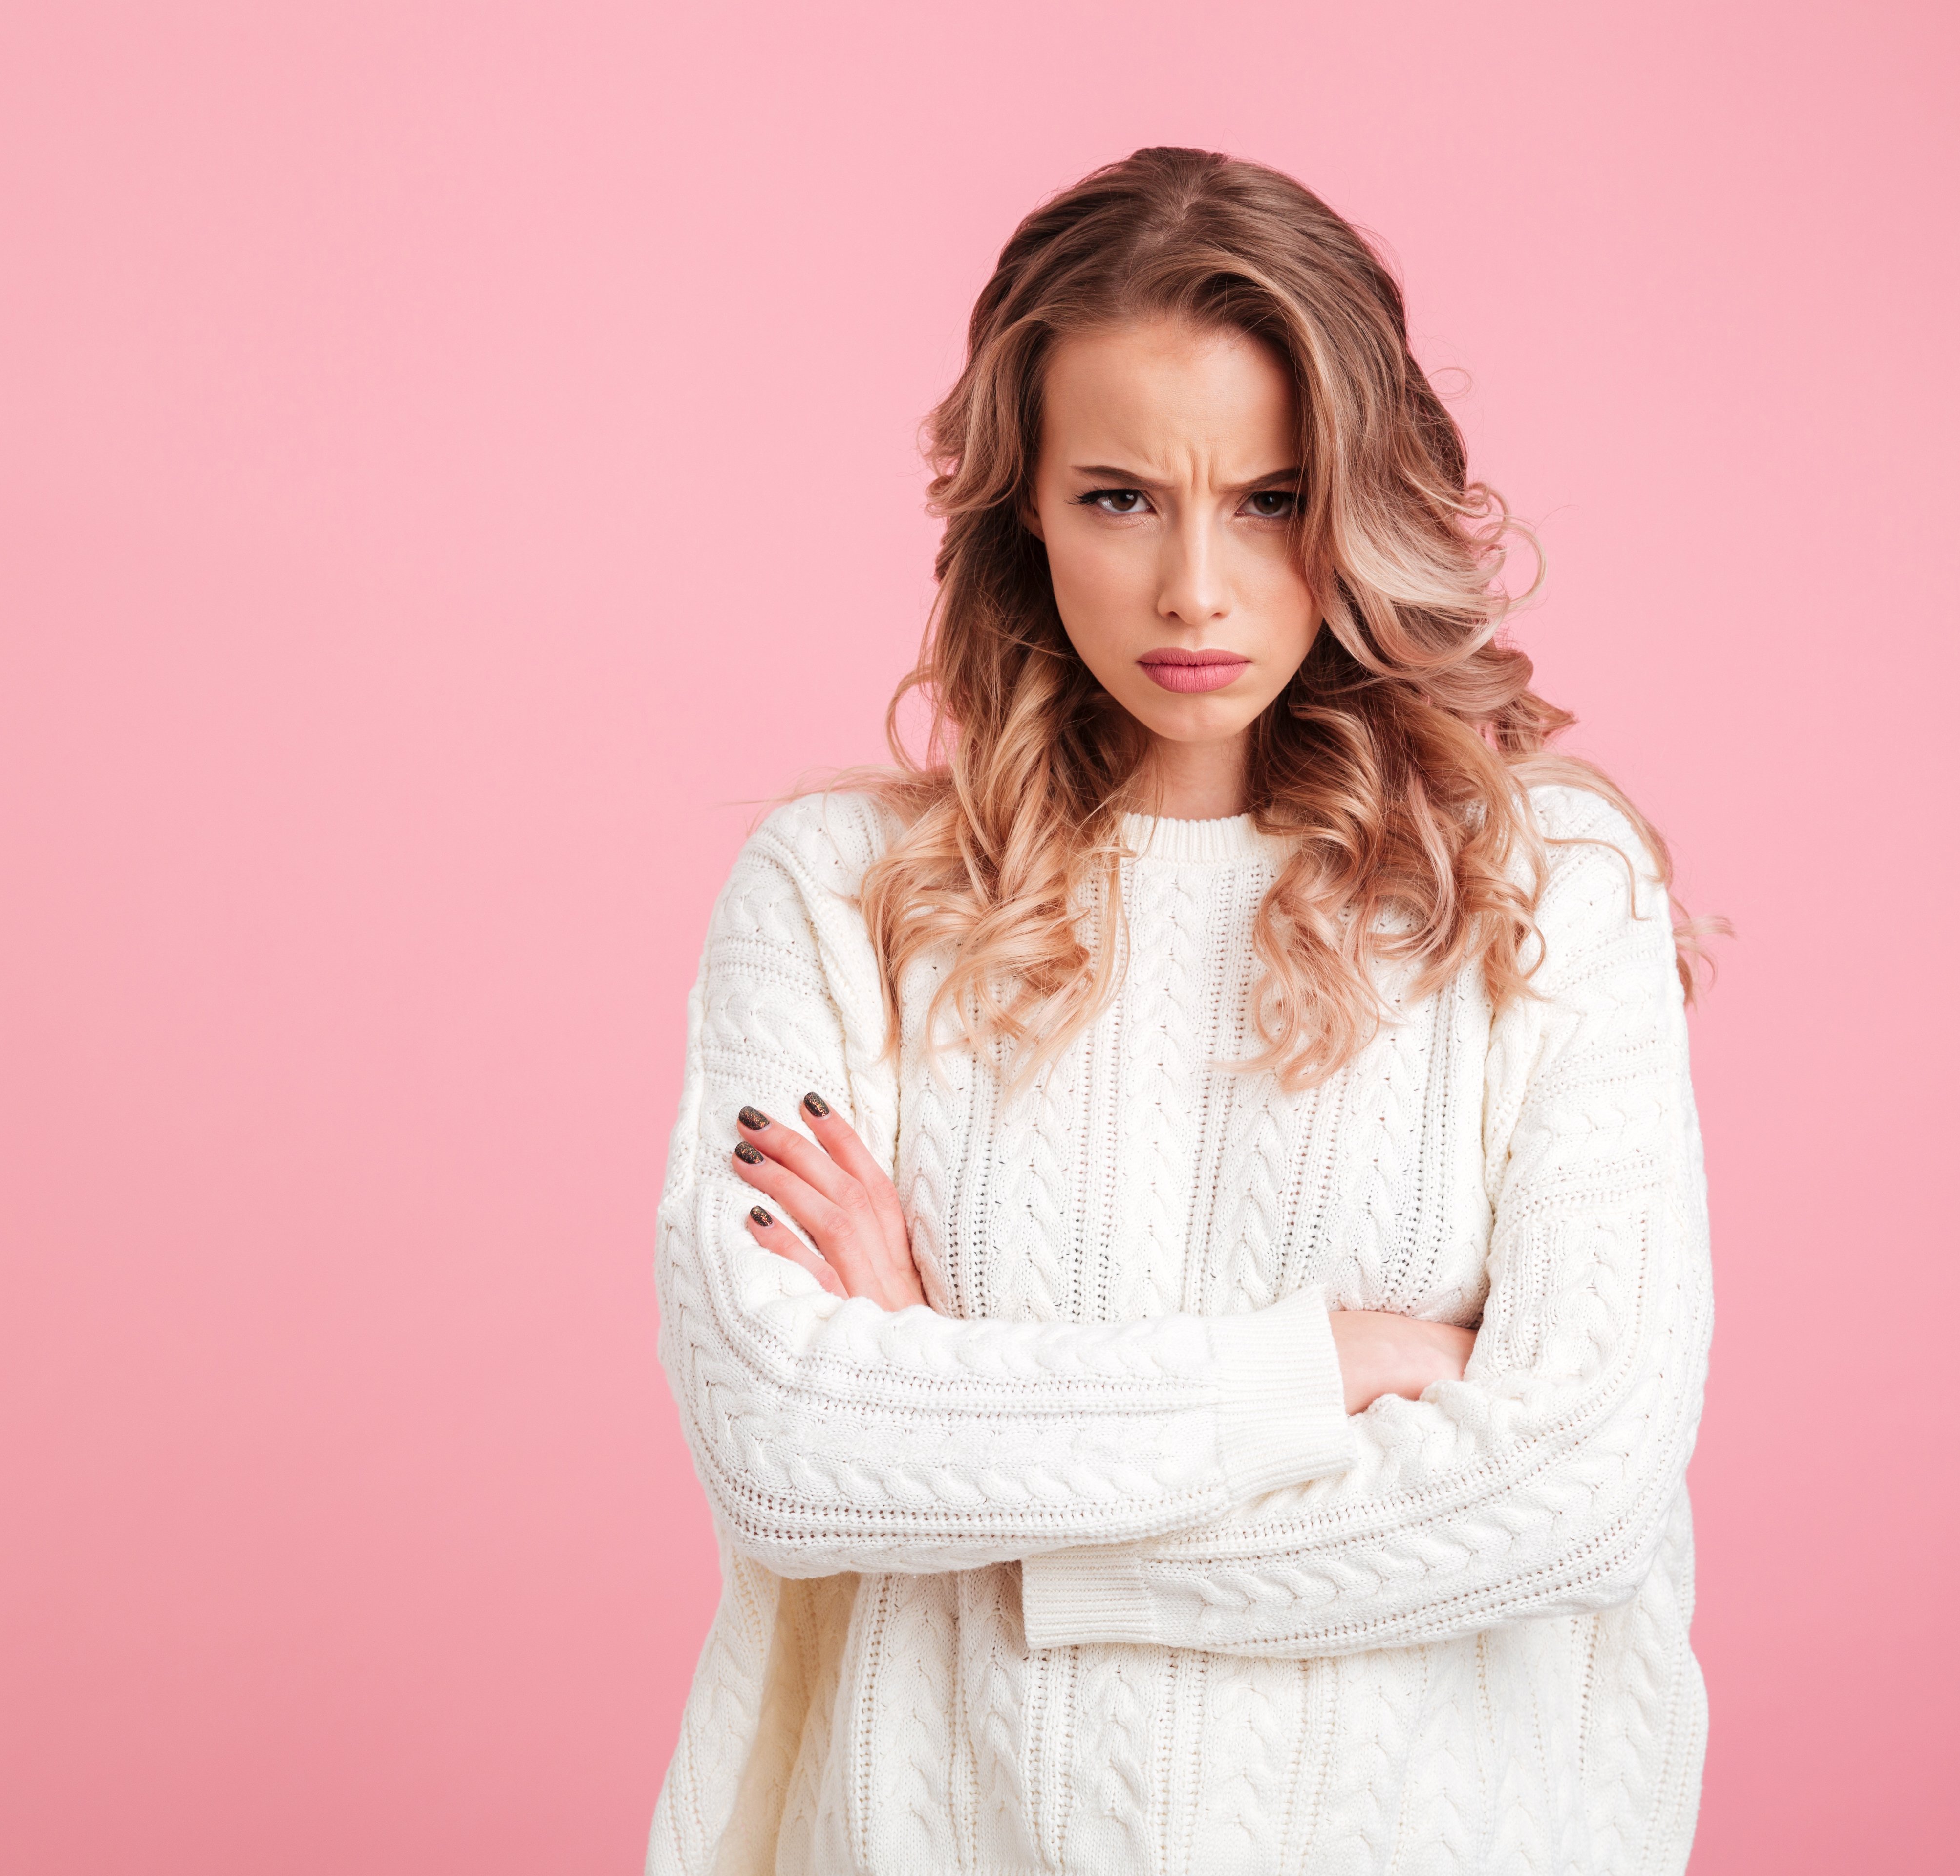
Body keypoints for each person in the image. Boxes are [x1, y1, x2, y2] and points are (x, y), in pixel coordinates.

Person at [646, 146, 1713, 1876]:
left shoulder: (1543, 892)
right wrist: (1336, 1370)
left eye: (1272, 498)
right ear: (1024, 510)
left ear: (1362, 500)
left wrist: (984, 1467)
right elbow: (787, 1446)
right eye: (1122, 498)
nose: (1197, 590)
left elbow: (1568, 1490)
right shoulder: (840, 894)